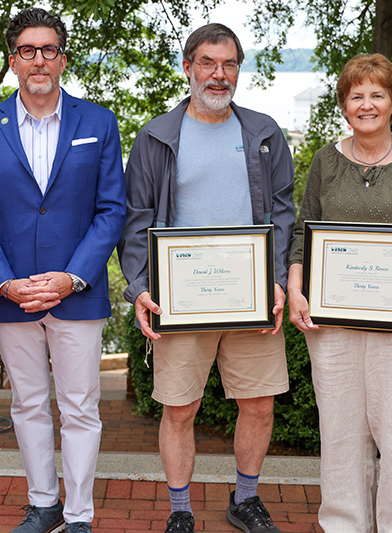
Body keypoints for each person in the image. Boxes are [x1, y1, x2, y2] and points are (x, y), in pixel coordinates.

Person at [118, 23, 294, 533]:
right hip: (181, 298)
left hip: (252, 296)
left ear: (239, 69)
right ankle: (180, 510)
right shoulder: (155, 137)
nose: (219, 75)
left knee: (258, 404)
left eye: (230, 64)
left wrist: (278, 280)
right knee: (179, 409)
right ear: (188, 67)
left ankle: (245, 499)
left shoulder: (263, 133)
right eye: (208, 63)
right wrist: (141, 287)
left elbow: (283, 213)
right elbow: (137, 218)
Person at [0, 7, 125, 533]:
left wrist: (72, 277)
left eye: (48, 49)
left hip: (76, 291)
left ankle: (78, 515)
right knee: (27, 403)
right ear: (13, 61)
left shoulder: (98, 122)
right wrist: (4, 282)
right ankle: (43, 504)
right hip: (10, 293)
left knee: (80, 407)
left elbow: (111, 209)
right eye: (27, 50)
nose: (38, 60)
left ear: (63, 59)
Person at [287, 53, 392, 532]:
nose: (366, 104)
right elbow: (303, 234)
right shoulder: (325, 159)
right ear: (344, 105)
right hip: (331, 325)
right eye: (356, 95)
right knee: (340, 435)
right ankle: (344, 526)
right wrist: (297, 291)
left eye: (376, 94)